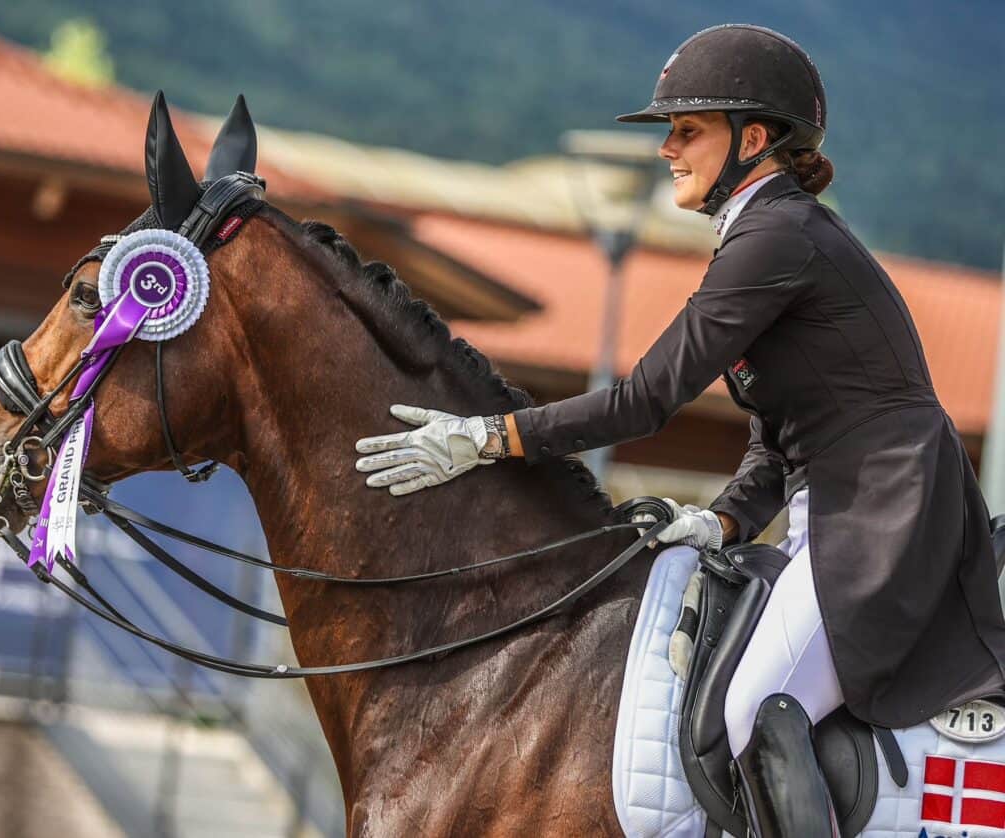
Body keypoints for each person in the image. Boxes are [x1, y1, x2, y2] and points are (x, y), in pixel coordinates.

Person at [353, 23, 1005, 837]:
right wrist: (722, 519)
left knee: (759, 709)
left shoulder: (778, 237)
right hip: (845, 507)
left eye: (688, 130)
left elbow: (644, 401)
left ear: (752, 140)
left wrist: (487, 438)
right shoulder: (770, 233)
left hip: (883, 516)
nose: (668, 148)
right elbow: (779, 436)